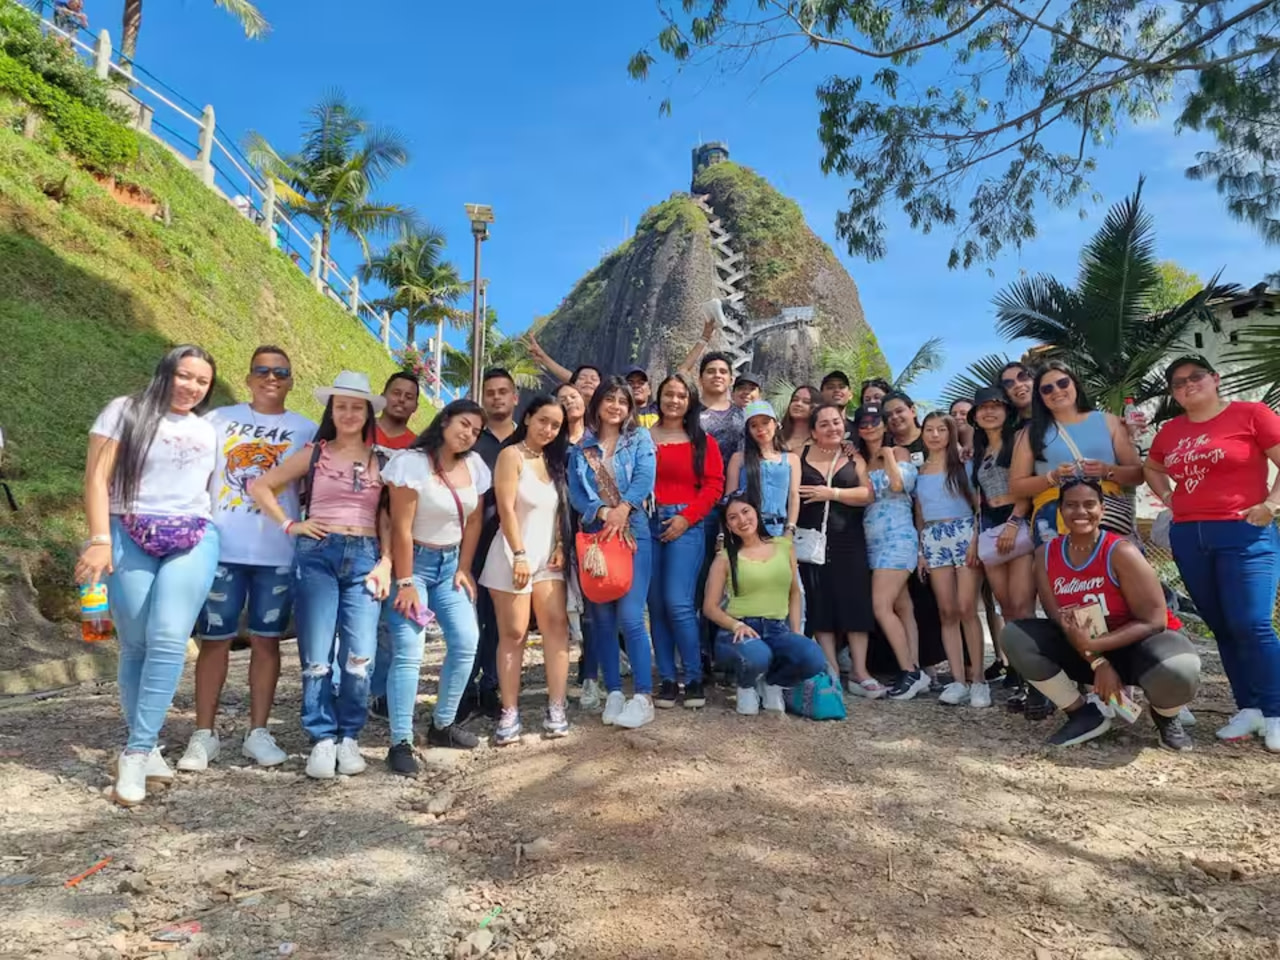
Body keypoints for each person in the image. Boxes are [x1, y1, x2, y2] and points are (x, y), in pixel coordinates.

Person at [76, 346, 220, 806]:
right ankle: (149, 741)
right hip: (127, 529)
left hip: (194, 535)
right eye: (184, 376)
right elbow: (96, 479)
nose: (191, 387)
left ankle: (136, 752)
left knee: (168, 638)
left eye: (201, 381)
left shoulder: (207, 428)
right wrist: (99, 539)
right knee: (135, 642)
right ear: (166, 372)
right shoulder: (124, 411)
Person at [249, 371, 392, 779]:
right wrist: (290, 525)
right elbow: (262, 486)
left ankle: (349, 736)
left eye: (356, 407)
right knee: (316, 657)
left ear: (367, 413)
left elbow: (387, 517)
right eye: (341, 406)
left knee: (359, 656)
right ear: (332, 411)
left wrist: (386, 563)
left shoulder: (381, 460)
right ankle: (321, 737)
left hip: (365, 554)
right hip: (317, 554)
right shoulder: (315, 453)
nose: (348, 413)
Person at [180, 346, 316, 773]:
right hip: (221, 548)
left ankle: (258, 731)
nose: (271, 378)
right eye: (262, 370)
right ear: (248, 377)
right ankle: (204, 733)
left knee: (266, 640)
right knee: (214, 640)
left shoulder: (305, 429)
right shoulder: (217, 421)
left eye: (280, 372)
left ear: (291, 380)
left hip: (277, 552)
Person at [1002, 478, 1201, 749]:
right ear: (1060, 511)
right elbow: (1059, 617)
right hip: (1085, 647)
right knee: (1016, 636)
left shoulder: (1122, 552)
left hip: (1136, 647)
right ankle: (1083, 714)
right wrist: (1099, 662)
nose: (1080, 512)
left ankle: (1166, 717)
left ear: (1102, 509)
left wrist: (1098, 647)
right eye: (1071, 505)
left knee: (1181, 666)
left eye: (1089, 504)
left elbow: (1154, 621)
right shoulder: (1045, 555)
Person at [1145, 355, 1280, 749]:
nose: (1187, 386)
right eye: (1178, 383)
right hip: (1190, 535)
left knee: (1252, 623)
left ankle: (1275, 709)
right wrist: (1170, 496)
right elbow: (1152, 467)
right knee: (1221, 626)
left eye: (1195, 377)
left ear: (1215, 379)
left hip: (1244, 531)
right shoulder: (1171, 430)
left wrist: (1271, 505)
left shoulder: (1251, 415)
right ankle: (1249, 708)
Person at [378, 399, 490, 770]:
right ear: (444, 421)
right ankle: (401, 742)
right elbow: (401, 527)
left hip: (448, 566)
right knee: (410, 650)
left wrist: (464, 568)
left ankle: (442, 723)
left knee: (466, 640)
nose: (468, 434)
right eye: (463, 424)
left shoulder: (475, 465)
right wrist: (406, 581)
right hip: (414, 565)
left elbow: (473, 522)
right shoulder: (411, 464)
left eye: (475, 430)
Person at [482, 396, 573, 744]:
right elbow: (505, 509)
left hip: (549, 558)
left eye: (555, 425)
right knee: (514, 633)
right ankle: (509, 711)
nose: (548, 429)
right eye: (543, 421)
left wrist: (562, 547)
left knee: (556, 627)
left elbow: (560, 510)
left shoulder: (554, 460)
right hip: (512, 553)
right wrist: (519, 554)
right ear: (529, 417)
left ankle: (557, 706)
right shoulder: (511, 455)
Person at [567, 377, 657, 729]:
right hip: (597, 537)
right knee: (601, 620)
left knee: (632, 616)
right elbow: (577, 493)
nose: (616, 406)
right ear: (598, 404)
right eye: (610, 399)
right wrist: (603, 513)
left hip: (634, 533)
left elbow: (645, 478)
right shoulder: (581, 449)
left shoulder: (639, 439)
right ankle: (616, 691)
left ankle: (643, 696)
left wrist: (624, 509)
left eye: (623, 400)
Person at [704, 497, 830, 715]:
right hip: (740, 630)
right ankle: (746, 686)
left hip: (777, 628)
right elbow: (710, 607)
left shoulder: (784, 546)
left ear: (757, 512)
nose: (742, 520)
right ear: (728, 526)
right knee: (758, 655)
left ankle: (772, 683)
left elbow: (794, 592)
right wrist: (735, 625)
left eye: (746, 511)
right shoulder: (725, 558)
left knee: (813, 658)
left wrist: (797, 631)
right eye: (733, 518)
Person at [648, 374, 724, 708]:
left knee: (678, 603)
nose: (674, 401)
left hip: (687, 521)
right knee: (656, 605)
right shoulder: (642, 438)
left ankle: (692, 677)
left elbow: (713, 486)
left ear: (689, 401)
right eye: (668, 394)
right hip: (647, 520)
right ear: (659, 398)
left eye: (681, 395)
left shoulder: (702, 441)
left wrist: (686, 518)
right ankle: (666, 678)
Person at [1009, 361, 1144, 548]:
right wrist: (1053, 477)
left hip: (1105, 512)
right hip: (1055, 514)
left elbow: (1138, 474)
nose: (1056, 391)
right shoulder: (1030, 433)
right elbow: (1016, 487)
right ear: (1040, 398)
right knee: (1063, 575)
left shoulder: (1109, 421)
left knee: (1118, 572)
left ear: (1075, 384)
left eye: (1063, 383)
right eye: (1047, 389)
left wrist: (1107, 471)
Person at [796, 403, 875, 689]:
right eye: (825, 424)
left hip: (848, 539)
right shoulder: (799, 456)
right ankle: (830, 667)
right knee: (820, 604)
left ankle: (860, 670)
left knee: (855, 602)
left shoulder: (854, 457)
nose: (832, 428)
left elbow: (868, 494)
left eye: (837, 422)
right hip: (809, 541)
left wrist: (832, 493)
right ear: (814, 431)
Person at [456, 368, 520, 722]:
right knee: (467, 618)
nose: (496, 397)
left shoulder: (525, 441)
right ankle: (463, 689)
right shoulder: (470, 440)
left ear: (514, 398)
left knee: (500, 621)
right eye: (490, 392)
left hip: (512, 542)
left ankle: (491, 686)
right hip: (469, 541)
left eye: (503, 392)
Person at [855, 404, 930, 699]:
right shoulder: (859, 458)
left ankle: (909, 671)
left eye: (875, 420)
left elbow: (898, 486)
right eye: (863, 421)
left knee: (880, 605)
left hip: (897, 537)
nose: (869, 425)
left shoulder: (898, 453)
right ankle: (916, 669)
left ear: (885, 425)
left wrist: (886, 454)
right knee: (902, 606)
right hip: (871, 538)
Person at [915, 412, 988, 707]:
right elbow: (919, 513)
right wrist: (921, 550)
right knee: (946, 611)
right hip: (934, 538)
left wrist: (975, 540)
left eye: (940, 430)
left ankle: (979, 680)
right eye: (929, 429)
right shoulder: (919, 472)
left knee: (967, 608)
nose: (934, 435)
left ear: (950, 433)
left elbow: (978, 507)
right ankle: (957, 680)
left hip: (963, 532)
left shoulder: (965, 465)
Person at [969, 387, 1035, 679]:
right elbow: (978, 499)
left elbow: (1027, 485)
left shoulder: (1019, 440)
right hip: (990, 524)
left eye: (996, 405)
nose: (989, 411)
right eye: (983, 407)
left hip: (1016, 519)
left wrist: (1014, 521)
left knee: (1022, 603)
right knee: (1005, 604)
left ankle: (1037, 672)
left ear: (1007, 411)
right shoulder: (978, 450)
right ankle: (1018, 669)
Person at [725, 400, 799, 538]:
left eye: (765, 422)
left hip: (778, 529)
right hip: (746, 529)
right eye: (754, 425)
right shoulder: (738, 459)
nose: (760, 429)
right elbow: (730, 499)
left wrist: (790, 528)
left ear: (776, 424)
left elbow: (794, 496)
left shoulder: (792, 459)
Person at [374, 372, 421, 451]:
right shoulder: (359, 426)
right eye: (396, 393)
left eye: (409, 397)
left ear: (415, 407)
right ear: (382, 397)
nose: (401, 399)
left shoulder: (415, 448)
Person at [883, 392, 925, 462]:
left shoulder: (931, 437)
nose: (894, 417)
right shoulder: (884, 445)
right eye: (889, 415)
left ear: (913, 411)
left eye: (899, 411)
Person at [780, 385, 818, 451]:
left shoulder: (820, 440)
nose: (798, 404)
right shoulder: (777, 437)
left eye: (806, 402)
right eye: (795, 400)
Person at [819, 371, 856, 437]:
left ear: (850, 394)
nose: (837, 390)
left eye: (842, 387)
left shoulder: (860, 430)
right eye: (830, 387)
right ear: (821, 394)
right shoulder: (813, 427)